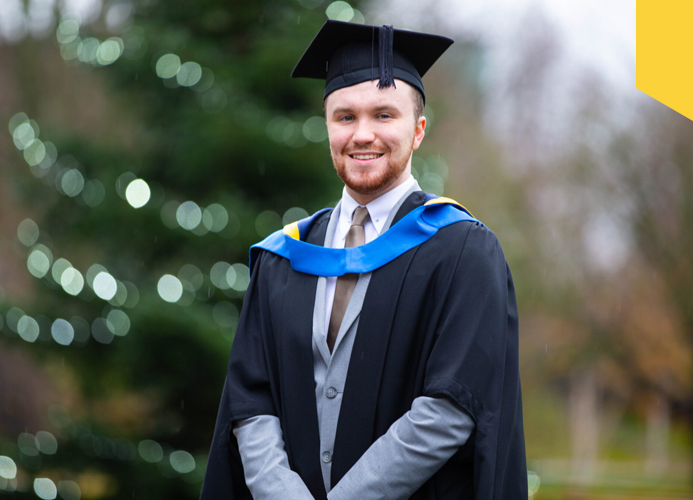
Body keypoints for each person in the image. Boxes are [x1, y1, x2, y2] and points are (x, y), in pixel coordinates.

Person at [201, 20, 527, 500]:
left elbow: (453, 408)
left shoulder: (462, 251)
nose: (363, 134)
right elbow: (251, 402)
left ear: (417, 131)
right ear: (327, 127)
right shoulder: (282, 258)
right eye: (345, 117)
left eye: (384, 115)